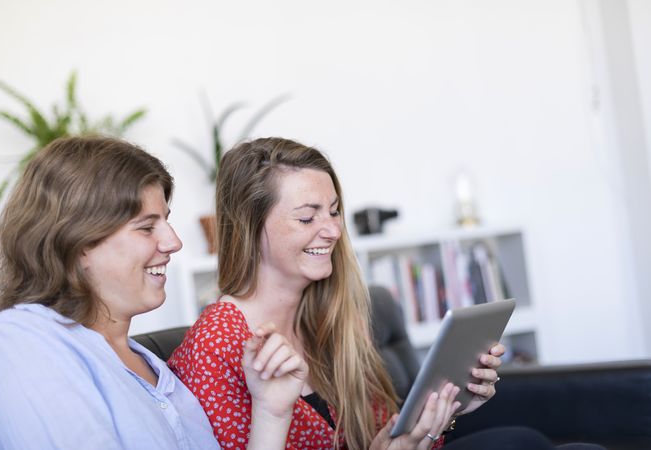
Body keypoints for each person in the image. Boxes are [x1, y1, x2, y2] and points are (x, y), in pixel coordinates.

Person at [169, 137, 503, 450]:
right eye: (306, 218)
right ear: (250, 228)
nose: (332, 231)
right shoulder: (215, 346)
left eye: (333, 211)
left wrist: (452, 408)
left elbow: (380, 438)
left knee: (517, 437)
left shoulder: (335, 315)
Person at [0, 136, 308, 450]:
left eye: (165, 221)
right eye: (147, 227)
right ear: (76, 243)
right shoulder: (22, 339)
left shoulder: (162, 376)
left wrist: (271, 413)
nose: (174, 242)